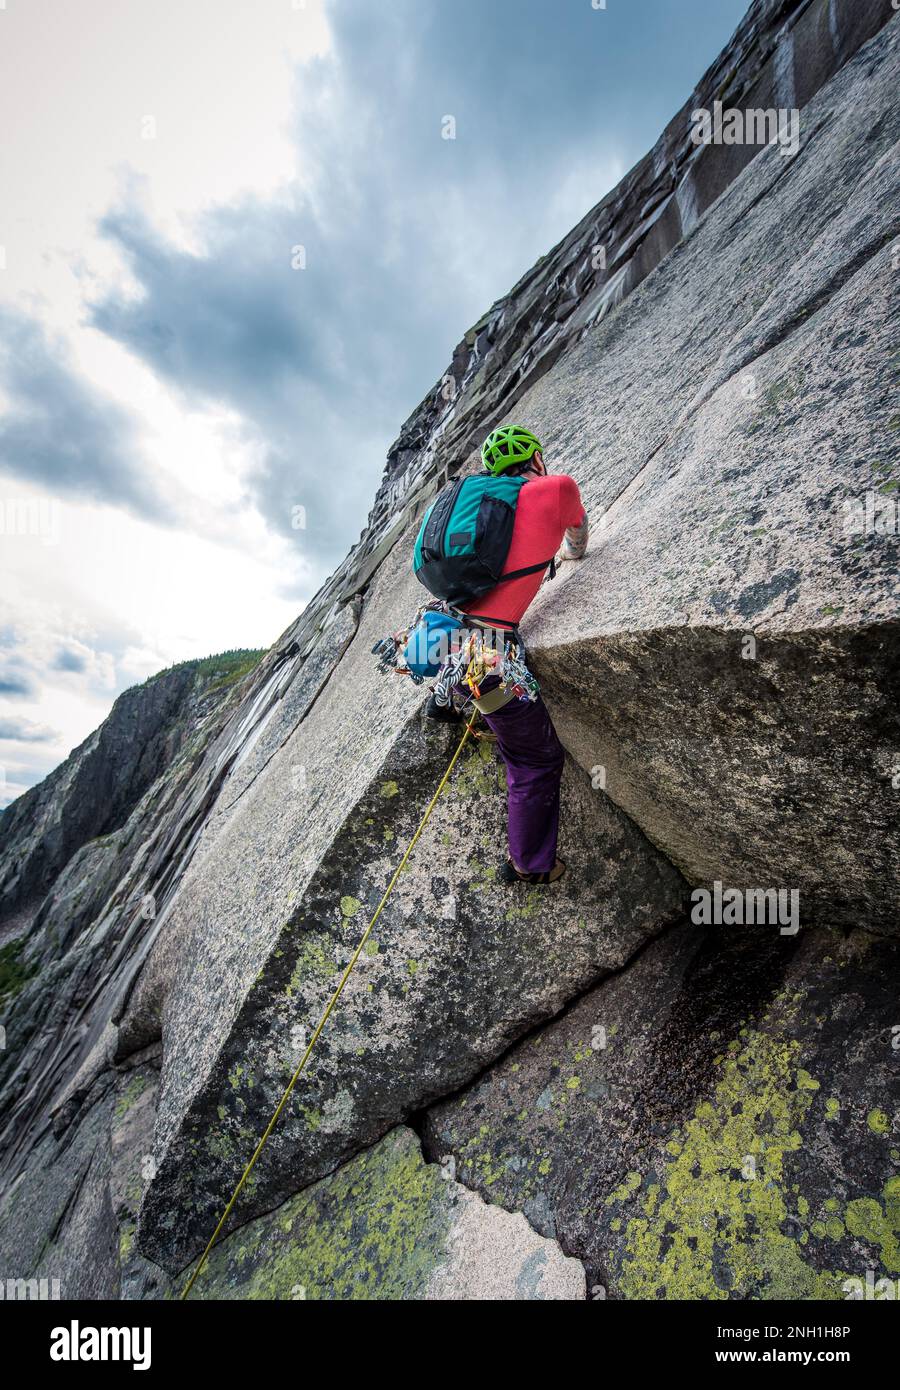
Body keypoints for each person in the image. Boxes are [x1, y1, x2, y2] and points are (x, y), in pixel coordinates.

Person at [429, 424, 588, 885]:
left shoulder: (476, 506)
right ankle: (532, 865)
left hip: (441, 642)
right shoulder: (556, 489)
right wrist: (569, 554)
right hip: (488, 661)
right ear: (536, 460)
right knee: (534, 757)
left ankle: (445, 701)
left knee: (479, 688)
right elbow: (577, 539)